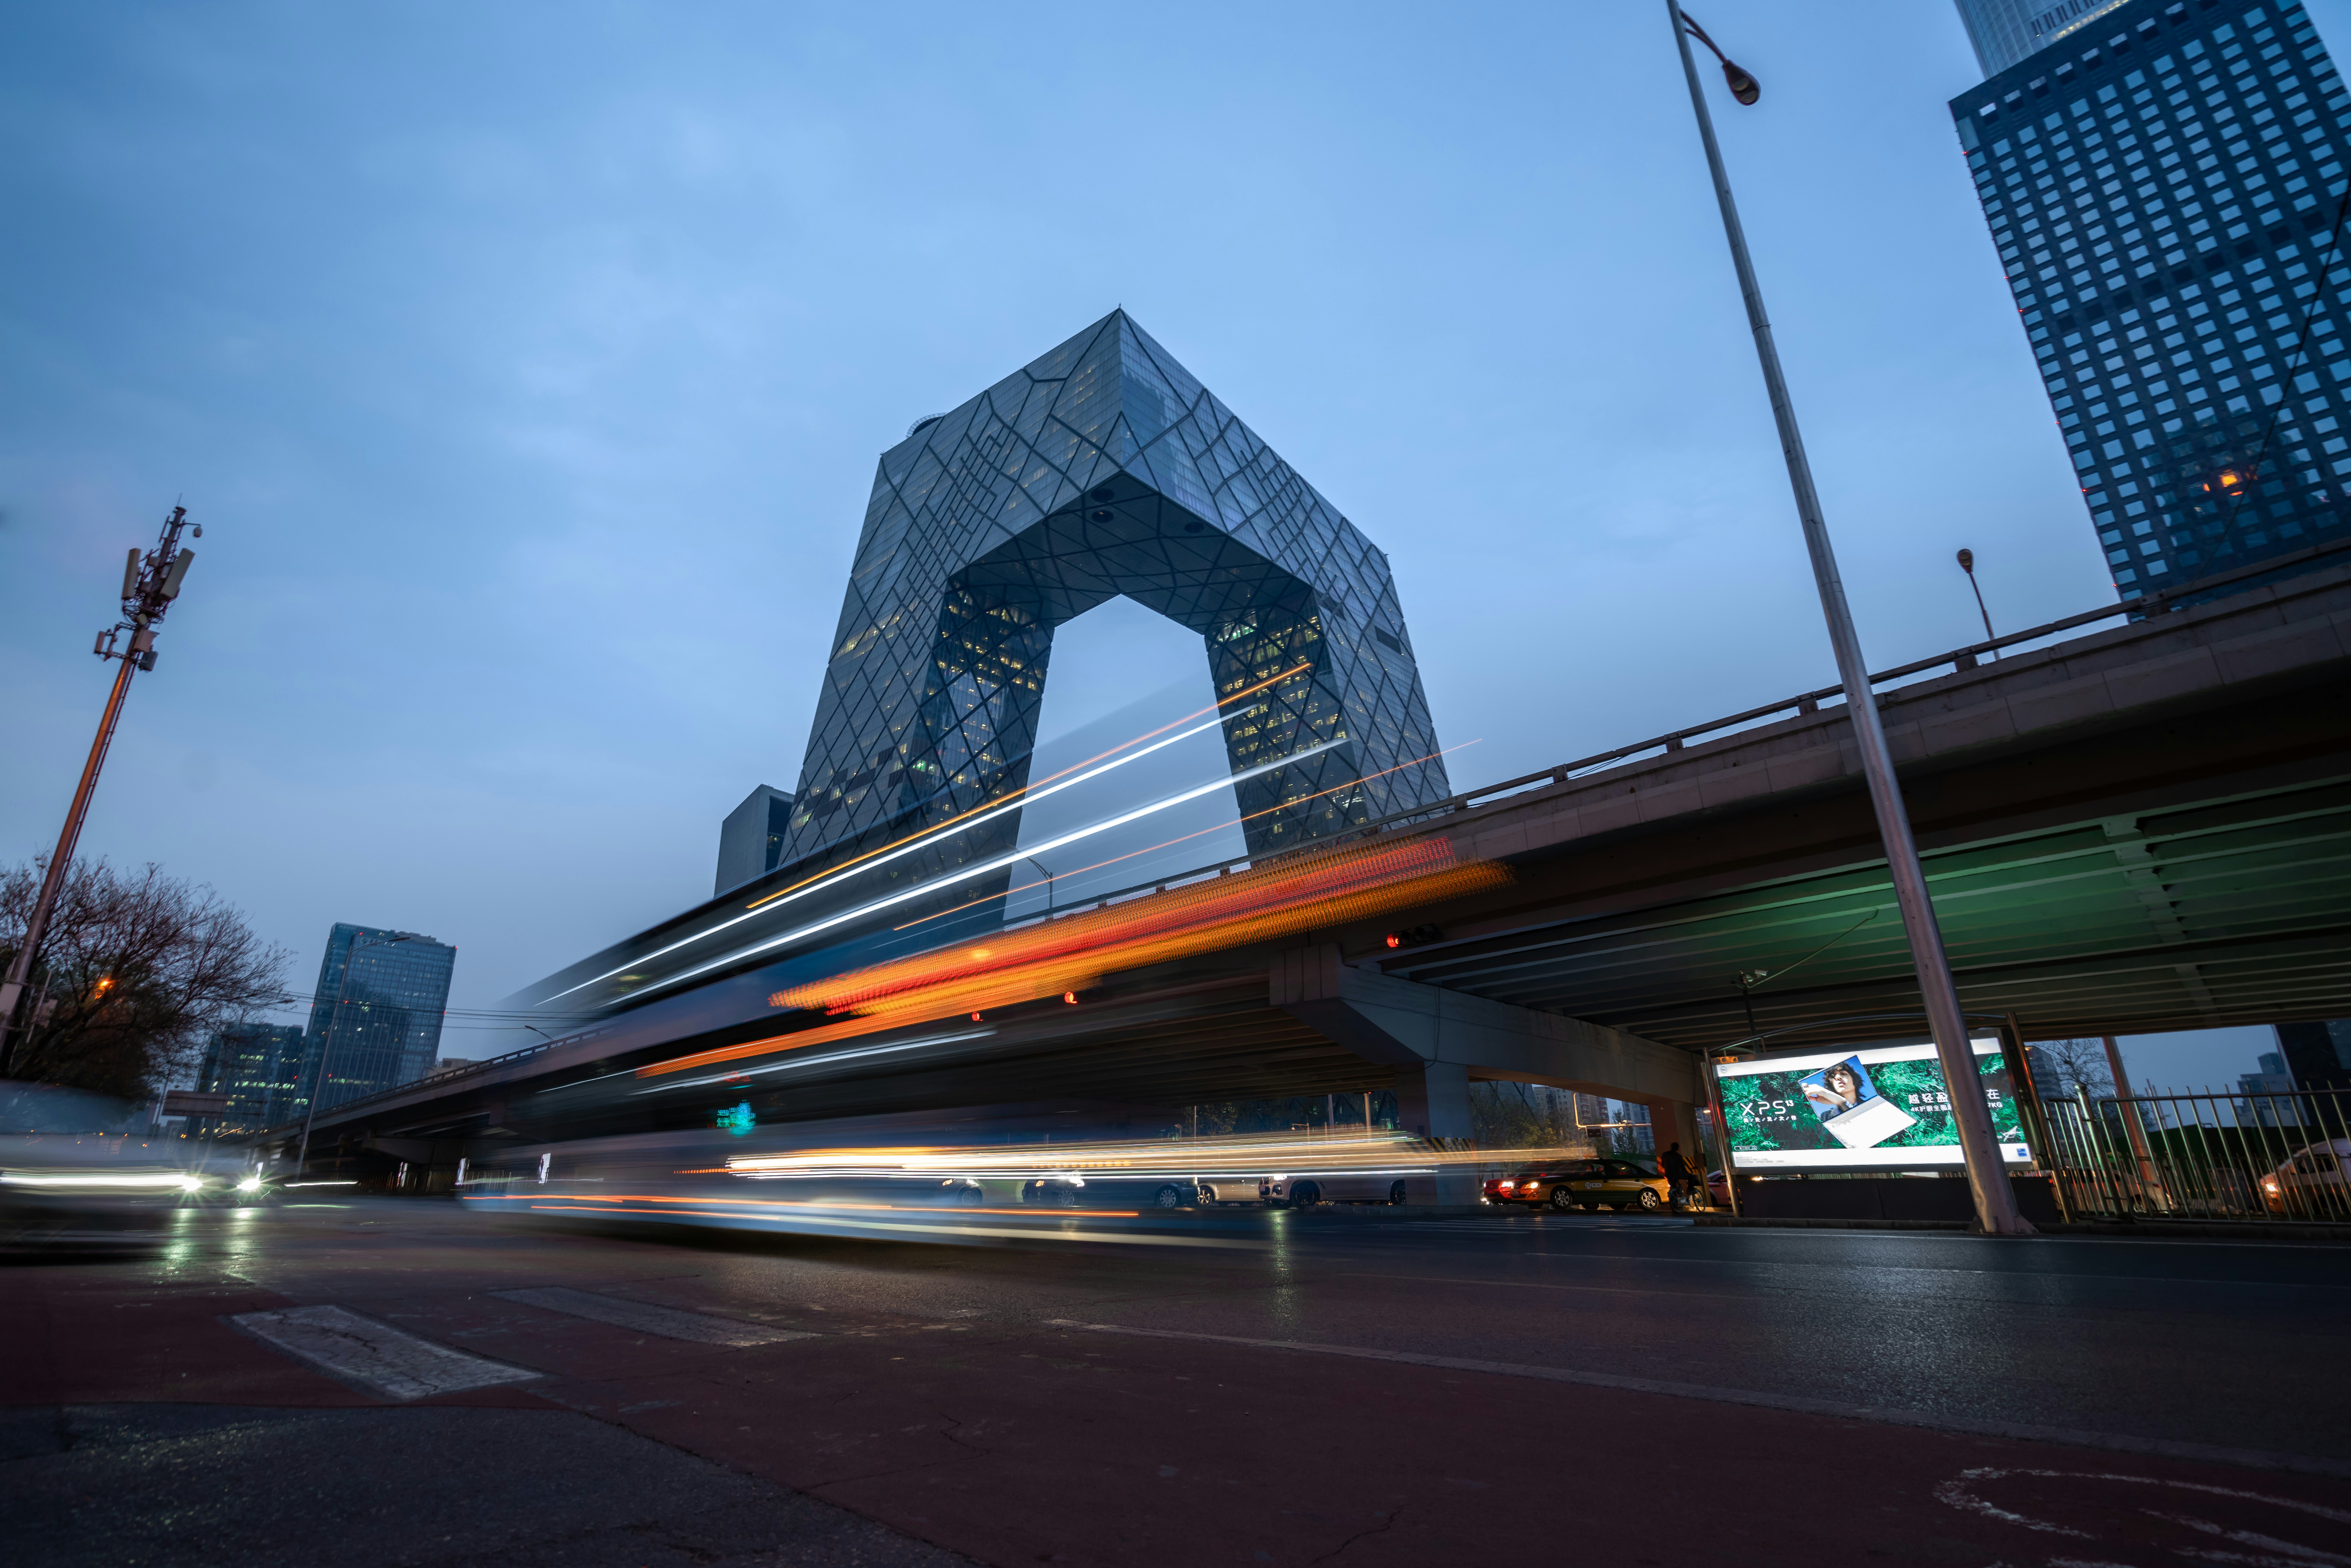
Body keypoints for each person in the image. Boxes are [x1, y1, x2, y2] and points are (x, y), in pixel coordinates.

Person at [1658, 1141, 1696, 1209]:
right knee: (1692, 1177)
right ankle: (1690, 1190)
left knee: (1673, 1188)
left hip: (1669, 1175)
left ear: (1671, 1147)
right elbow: (1683, 1167)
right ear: (1677, 1148)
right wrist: (1686, 1172)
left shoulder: (1665, 1155)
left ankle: (1674, 1206)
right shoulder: (1679, 1156)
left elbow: (1663, 1165)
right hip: (1678, 1174)